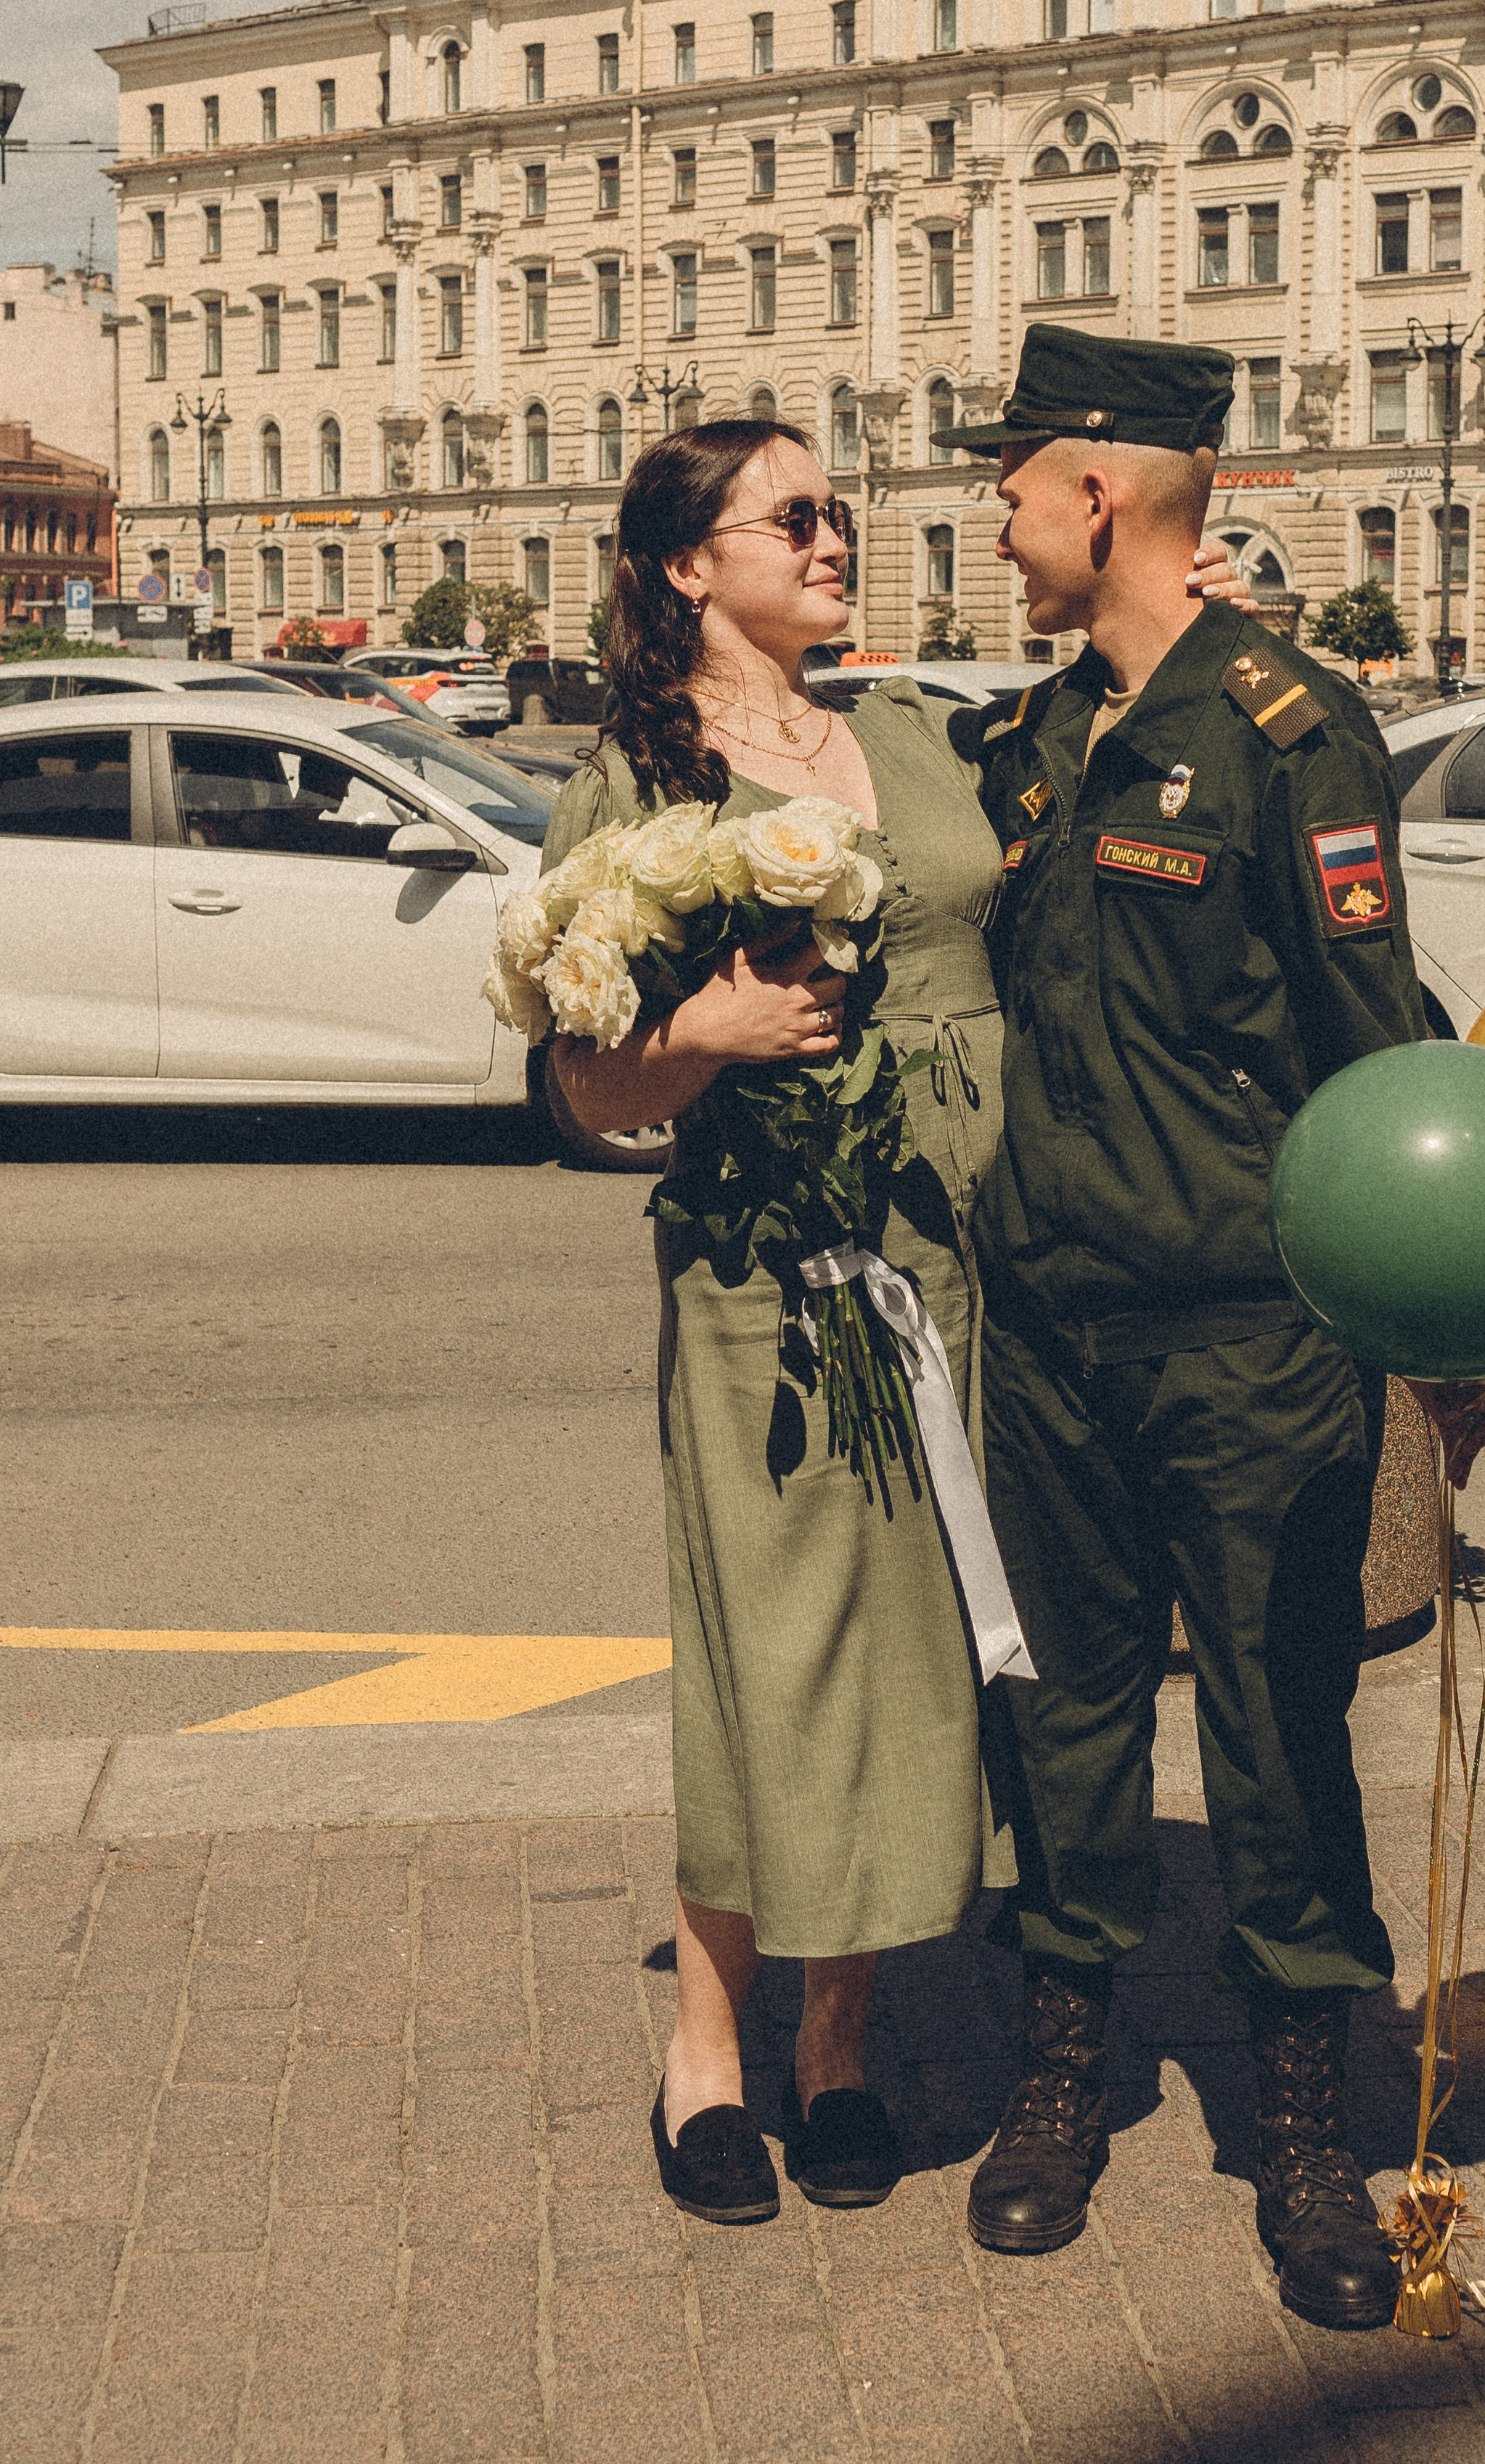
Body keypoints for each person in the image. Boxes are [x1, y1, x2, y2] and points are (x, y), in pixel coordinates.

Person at [933, 325, 1484, 2329]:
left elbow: (1374, 1049)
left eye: (1015, 484)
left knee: (1275, 1740)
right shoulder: (1029, 741)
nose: (993, 518)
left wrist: (1447, 1336)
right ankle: (1062, 2077)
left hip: (1250, 1338)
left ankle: (1309, 2131)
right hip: (1053, 1325)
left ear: (1100, 492)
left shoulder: (1283, 728)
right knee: (1061, 1717)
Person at [547, 419, 1014, 2227]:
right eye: (795, 516)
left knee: (911, 1650)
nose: (836, 538)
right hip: (774, 1270)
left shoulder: (910, 732)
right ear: (686, 565)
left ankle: (841, 2053)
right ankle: (705, 2054)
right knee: (769, 1642)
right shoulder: (640, 782)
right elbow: (580, 1085)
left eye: (843, 512)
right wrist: (703, 1042)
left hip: (966, 1252)